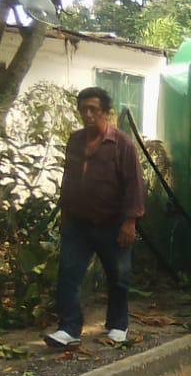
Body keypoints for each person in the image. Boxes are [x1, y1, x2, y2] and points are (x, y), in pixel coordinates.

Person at [44, 87, 145, 348]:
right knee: (69, 273)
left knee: (118, 275)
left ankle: (118, 325)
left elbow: (134, 184)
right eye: (83, 110)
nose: (88, 115)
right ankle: (68, 329)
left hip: (113, 222)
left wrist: (130, 221)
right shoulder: (75, 141)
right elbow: (69, 179)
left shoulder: (121, 143)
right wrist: (64, 214)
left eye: (93, 109)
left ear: (106, 112)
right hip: (78, 222)